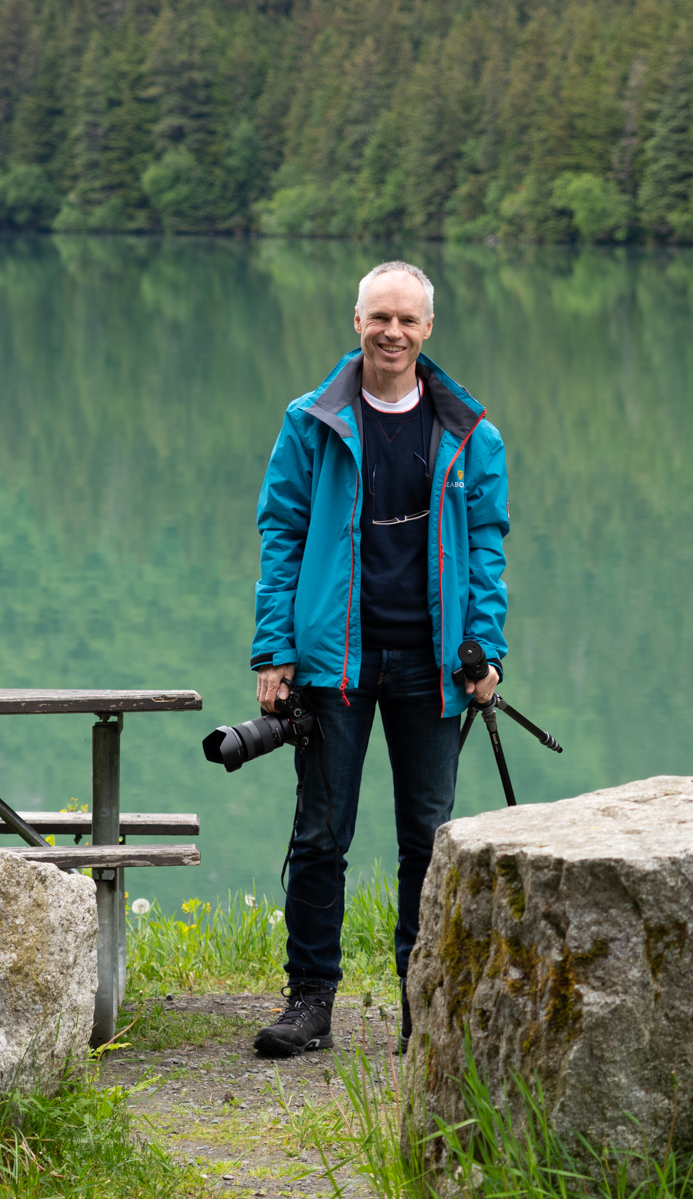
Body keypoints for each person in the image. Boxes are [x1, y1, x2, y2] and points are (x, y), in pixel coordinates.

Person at [249, 261, 510, 1057]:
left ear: (428, 329)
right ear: (355, 321)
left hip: (433, 666)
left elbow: (488, 550)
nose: (391, 332)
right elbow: (281, 534)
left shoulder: (471, 432)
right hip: (337, 661)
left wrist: (486, 647)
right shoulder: (312, 422)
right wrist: (274, 649)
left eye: (406, 319)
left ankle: (419, 1006)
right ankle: (310, 1001)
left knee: (428, 841)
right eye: (378, 318)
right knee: (321, 833)